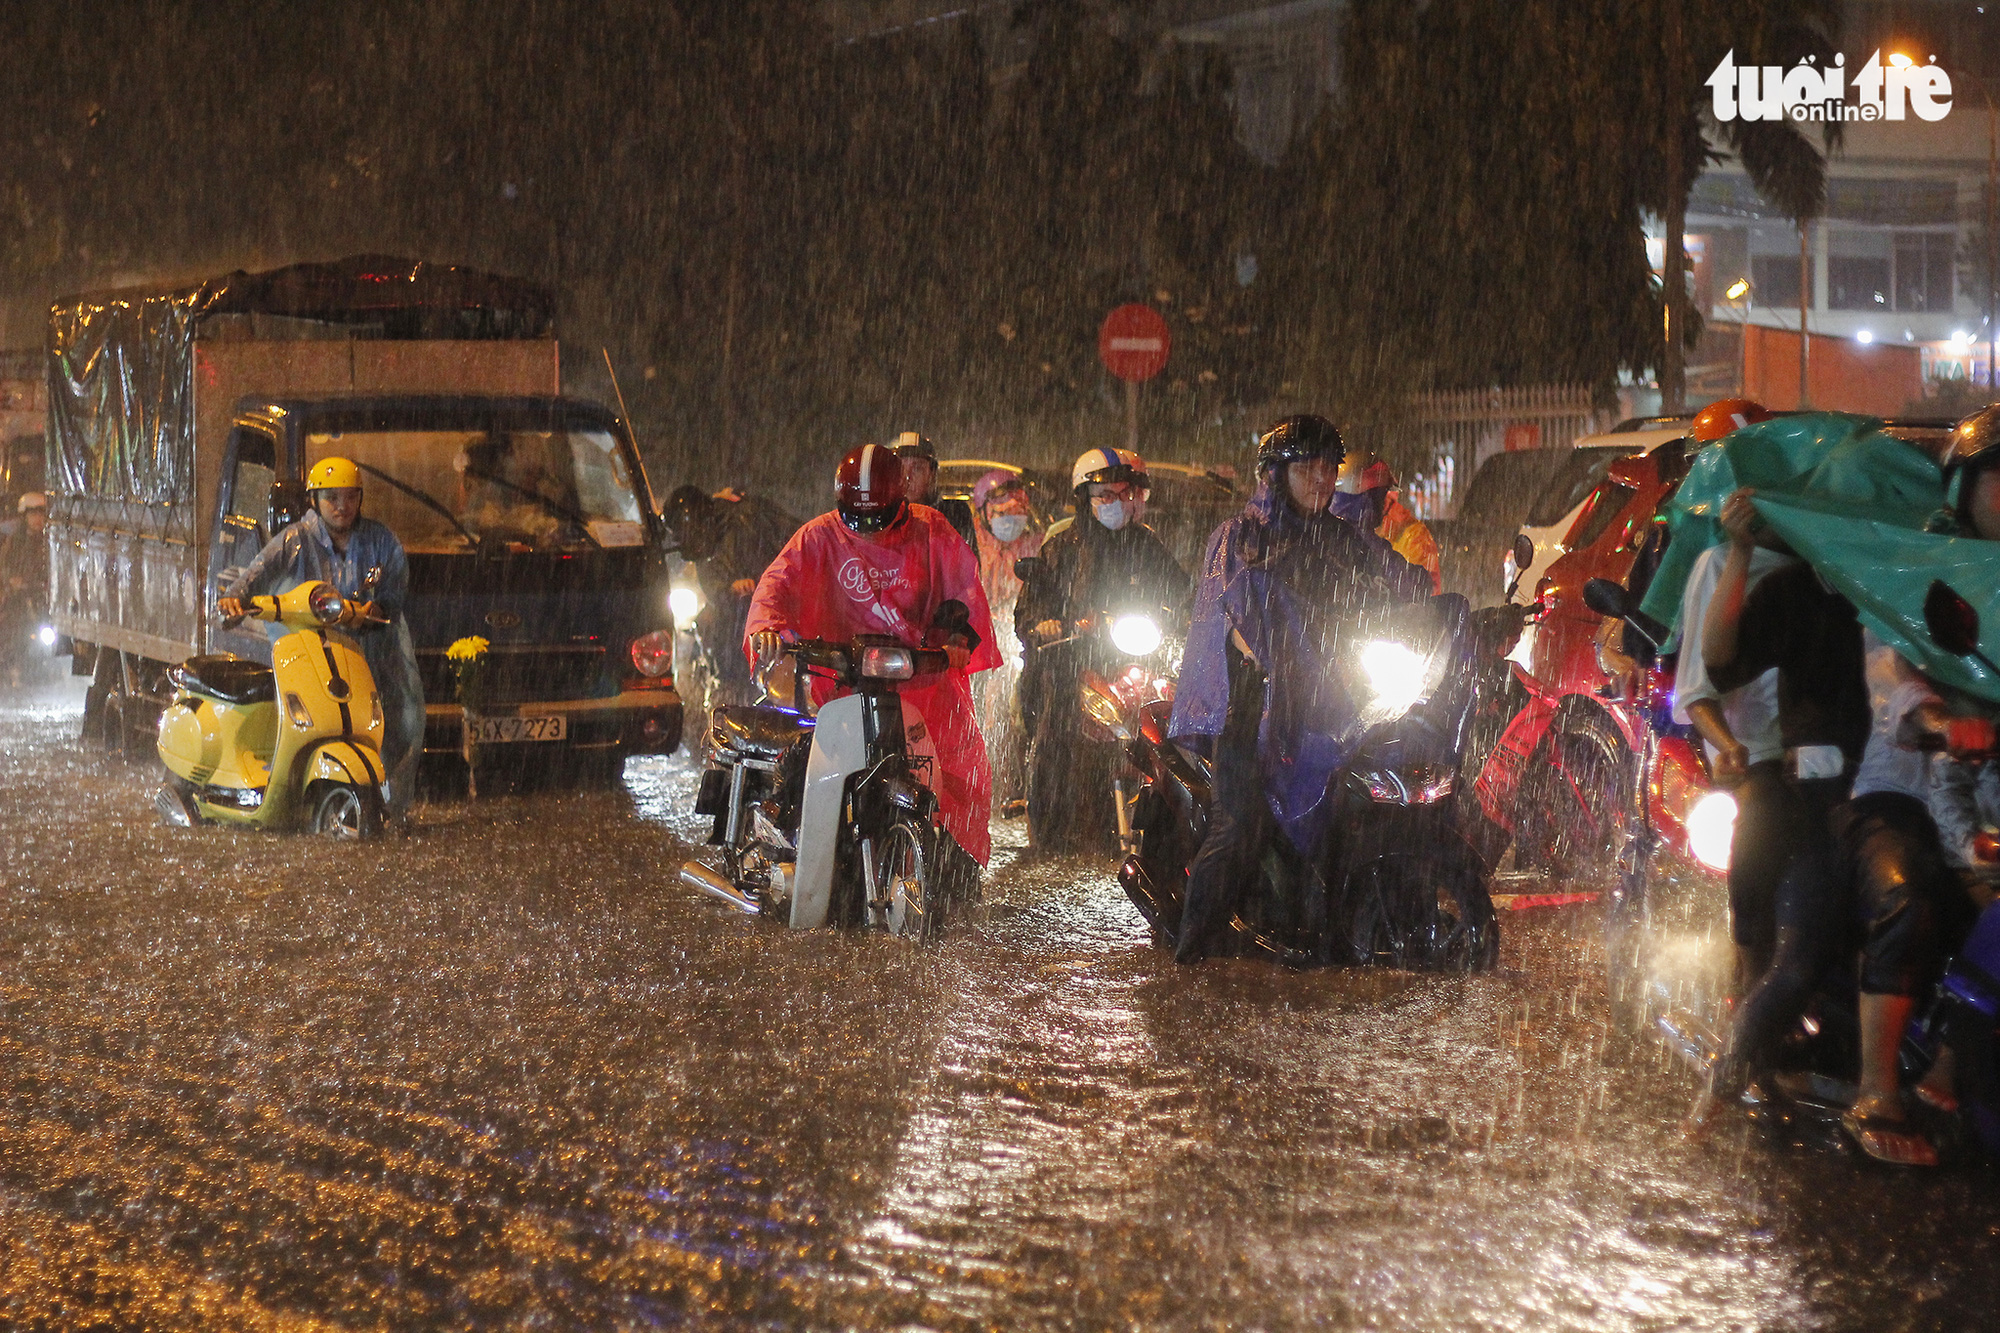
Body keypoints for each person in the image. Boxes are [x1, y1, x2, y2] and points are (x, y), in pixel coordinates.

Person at [1691, 482, 1974, 1164]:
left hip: (1920, 791)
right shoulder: (1798, 589)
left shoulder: (1918, 593)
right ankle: (1730, 1068)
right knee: (1790, 943)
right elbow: (1722, 660)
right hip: (1810, 797)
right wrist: (1738, 549)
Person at [1168, 415, 1434, 963]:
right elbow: (1244, 614)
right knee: (1237, 826)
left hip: (1331, 702)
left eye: (1328, 466)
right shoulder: (1242, 537)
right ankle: (1191, 960)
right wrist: (1280, 648)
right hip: (1251, 709)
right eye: (1306, 466)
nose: (1320, 477)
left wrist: (1450, 613)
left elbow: (1397, 580)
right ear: (1275, 474)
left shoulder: (1341, 535)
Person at [746, 443, 1001, 865]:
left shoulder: (932, 529)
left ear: (901, 500)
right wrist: (766, 629)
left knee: (959, 777)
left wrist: (960, 638)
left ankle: (957, 864)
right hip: (842, 683)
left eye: (876, 518)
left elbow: (964, 590)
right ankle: (785, 825)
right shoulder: (816, 537)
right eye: (855, 518)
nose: (866, 528)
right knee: (811, 759)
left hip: (923, 687)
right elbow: (776, 588)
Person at [218, 458, 426, 825]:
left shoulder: (382, 540)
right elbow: (256, 573)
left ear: (360, 499)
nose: (341, 506)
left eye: (349, 498)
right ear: (314, 499)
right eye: (332, 498)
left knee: (407, 719)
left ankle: (396, 805)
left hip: (373, 648)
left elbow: (394, 593)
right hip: (314, 654)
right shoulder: (294, 540)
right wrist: (235, 597)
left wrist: (374, 609)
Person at [1013, 447, 1190, 850]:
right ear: (1084, 500)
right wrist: (1045, 625)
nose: (1116, 504)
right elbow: (1032, 606)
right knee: (1056, 725)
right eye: (1105, 495)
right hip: (1074, 660)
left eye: (1124, 494)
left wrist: (1185, 618)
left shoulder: (1148, 546)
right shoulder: (1062, 548)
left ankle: (1177, 821)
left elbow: (1182, 594)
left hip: (1135, 657)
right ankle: (1052, 831)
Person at [662, 484, 799, 706]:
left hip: (776, 603)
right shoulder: (706, 541)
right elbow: (713, 586)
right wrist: (730, 589)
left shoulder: (746, 518)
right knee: (708, 625)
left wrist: (760, 582)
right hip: (741, 609)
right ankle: (724, 695)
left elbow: (785, 550)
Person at [969, 470, 1041, 815]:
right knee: (987, 709)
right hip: (983, 640)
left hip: (1021, 636)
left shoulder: (1036, 545)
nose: (1009, 521)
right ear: (983, 512)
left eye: (1016, 513)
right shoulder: (971, 547)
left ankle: (1026, 782)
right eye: (1000, 514)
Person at [1330, 442, 1440, 592]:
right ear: (1368, 498)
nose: (1383, 503)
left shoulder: (1318, 527)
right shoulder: (1360, 538)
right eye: (1380, 495)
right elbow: (1413, 584)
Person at [891, 432, 976, 547]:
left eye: (917, 468)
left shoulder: (954, 514)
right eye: (899, 468)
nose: (907, 477)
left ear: (931, 474)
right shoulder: (876, 518)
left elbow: (967, 561)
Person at [0, 493, 49, 687]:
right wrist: (12, 580)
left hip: (41, 597)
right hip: (18, 597)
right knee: (11, 624)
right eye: (33, 514)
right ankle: (9, 664)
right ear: (25, 516)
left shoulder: (49, 541)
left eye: (41, 514)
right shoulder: (14, 541)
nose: (38, 519)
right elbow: (4, 565)